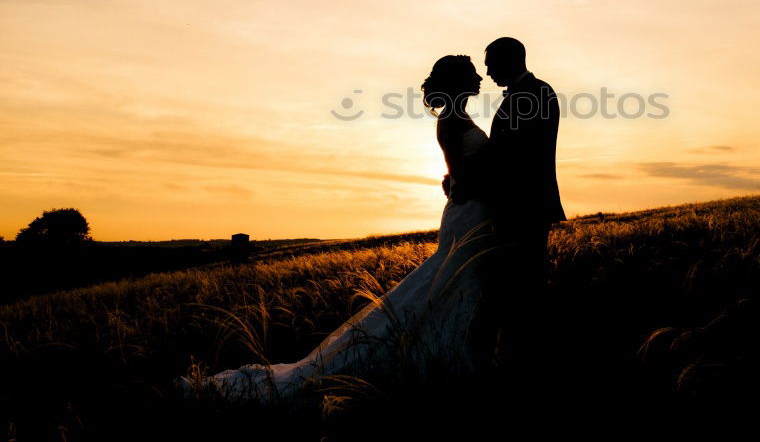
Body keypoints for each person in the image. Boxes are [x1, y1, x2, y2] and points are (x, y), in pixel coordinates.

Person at [176, 55, 500, 406]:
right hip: (467, 216)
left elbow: (456, 177)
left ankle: (461, 357)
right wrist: (494, 179)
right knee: (451, 284)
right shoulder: (450, 122)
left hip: (475, 214)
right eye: (472, 74)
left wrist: (459, 180)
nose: (479, 78)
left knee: (460, 286)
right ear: (457, 81)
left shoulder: (459, 117)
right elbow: (463, 183)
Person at [445, 37, 566, 371]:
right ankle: (517, 356)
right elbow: (503, 154)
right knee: (518, 286)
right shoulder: (527, 94)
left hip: (524, 205)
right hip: (516, 205)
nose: (486, 71)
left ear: (509, 59)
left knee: (524, 287)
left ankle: (525, 361)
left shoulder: (534, 94)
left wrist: (469, 178)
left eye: (491, 63)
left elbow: (516, 156)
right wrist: (461, 174)